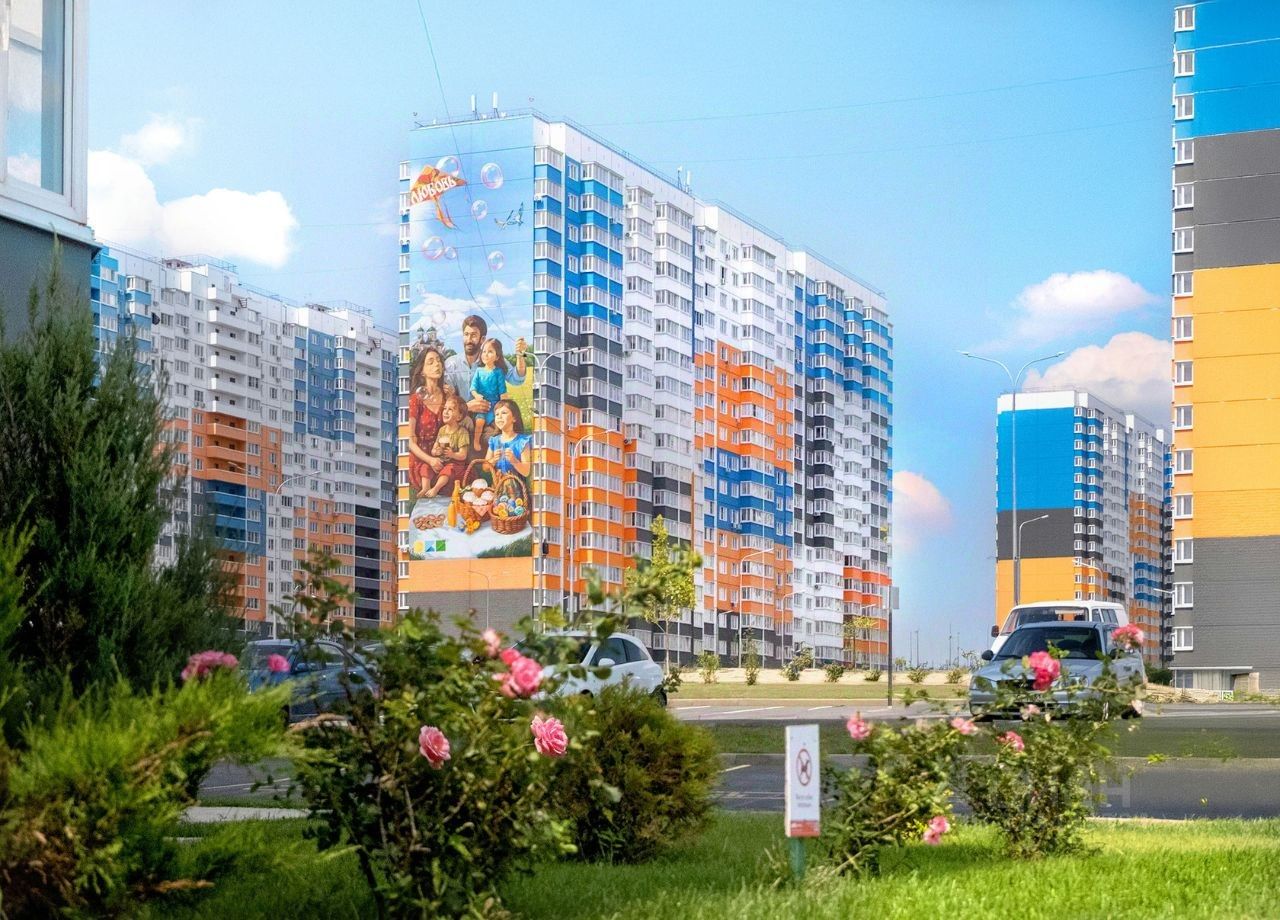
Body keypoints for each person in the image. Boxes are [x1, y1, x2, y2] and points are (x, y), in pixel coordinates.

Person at [446, 314, 528, 417]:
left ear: (483, 339)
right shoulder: (451, 364)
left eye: (474, 335)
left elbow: (517, 379)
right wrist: (466, 407)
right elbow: (444, 400)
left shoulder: (493, 359)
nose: (469, 340)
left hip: (490, 418)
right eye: (466, 334)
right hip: (460, 420)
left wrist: (520, 355)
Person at [406, 346, 450, 496]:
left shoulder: (447, 395)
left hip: (442, 453)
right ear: (422, 371)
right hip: (421, 456)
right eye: (430, 362)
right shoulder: (415, 399)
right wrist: (430, 460)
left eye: (438, 361)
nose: (437, 364)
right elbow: (410, 440)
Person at [424, 393, 471, 498]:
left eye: (450, 409)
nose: (445, 411)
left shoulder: (462, 432)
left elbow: (463, 455)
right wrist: (436, 452)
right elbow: (434, 449)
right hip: (442, 462)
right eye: (445, 408)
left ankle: (435, 489)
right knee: (426, 466)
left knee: (449, 469)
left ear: (459, 416)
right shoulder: (442, 430)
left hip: (456, 464)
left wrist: (452, 454)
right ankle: (425, 488)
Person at [470, 338, 510, 452]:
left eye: (490, 351)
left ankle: (501, 444)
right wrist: (477, 396)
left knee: (499, 423)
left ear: (497, 357)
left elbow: (502, 391)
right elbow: (473, 388)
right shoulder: (479, 371)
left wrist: (503, 405)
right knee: (479, 422)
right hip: (483, 404)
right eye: (484, 351)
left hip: (495, 405)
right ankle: (476, 441)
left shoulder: (498, 372)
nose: (486, 354)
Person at [485, 398, 532, 480]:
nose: (499, 417)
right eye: (496, 414)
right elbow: (485, 467)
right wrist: (494, 460)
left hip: (516, 485)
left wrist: (514, 460)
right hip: (498, 484)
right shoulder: (494, 441)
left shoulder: (522, 441)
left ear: (514, 418)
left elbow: (526, 472)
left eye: (504, 413)